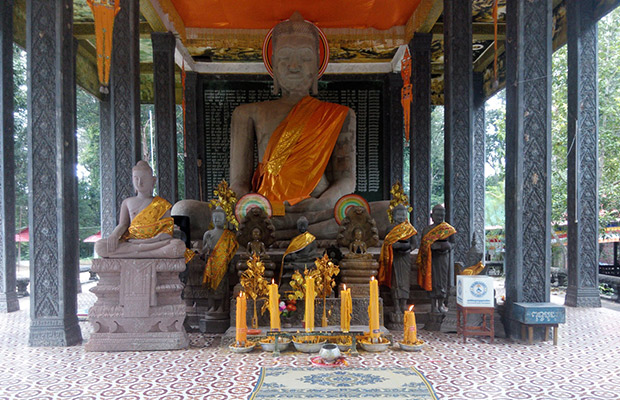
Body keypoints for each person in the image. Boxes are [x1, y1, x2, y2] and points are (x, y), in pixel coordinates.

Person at [229, 12, 356, 233]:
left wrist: (322, 204)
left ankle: (292, 227)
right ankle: (289, 228)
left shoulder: (339, 115)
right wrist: (251, 206)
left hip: (318, 210)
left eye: (305, 58)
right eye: (285, 56)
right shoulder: (247, 113)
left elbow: (346, 179)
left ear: (317, 65)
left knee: (385, 212)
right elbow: (239, 183)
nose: (294, 66)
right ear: (274, 65)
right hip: (267, 210)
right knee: (190, 210)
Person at [95, 161, 193, 262]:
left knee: (177, 246)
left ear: (153, 181)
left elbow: (167, 230)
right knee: (100, 246)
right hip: (132, 241)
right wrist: (114, 235)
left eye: (144, 178)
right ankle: (145, 254)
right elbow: (123, 224)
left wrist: (155, 239)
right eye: (136, 178)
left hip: (154, 243)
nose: (139, 182)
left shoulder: (161, 204)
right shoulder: (127, 202)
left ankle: (135, 254)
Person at [416, 205, 456, 314]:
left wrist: (445, 247)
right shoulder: (427, 230)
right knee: (432, 280)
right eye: (437, 215)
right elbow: (423, 245)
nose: (439, 217)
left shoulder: (448, 229)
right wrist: (431, 247)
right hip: (431, 259)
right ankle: (433, 305)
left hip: (443, 258)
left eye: (442, 215)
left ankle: (441, 304)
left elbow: (453, 243)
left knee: (443, 280)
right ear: (431, 216)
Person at [378, 204, 417, 315]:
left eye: (403, 214)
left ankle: (403, 305)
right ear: (393, 216)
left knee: (405, 283)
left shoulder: (409, 228)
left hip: (405, 258)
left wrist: (406, 248)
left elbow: (414, 244)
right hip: (394, 258)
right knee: (395, 282)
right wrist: (393, 246)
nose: (401, 216)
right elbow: (386, 243)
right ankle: (396, 307)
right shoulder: (390, 228)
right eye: (398, 214)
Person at [201, 207, 238, 313]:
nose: (217, 220)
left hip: (223, 264)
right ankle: (212, 306)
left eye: (220, 218)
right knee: (211, 287)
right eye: (215, 218)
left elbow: (232, 252)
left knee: (222, 285)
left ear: (225, 220)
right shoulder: (208, 234)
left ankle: (221, 307)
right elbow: (203, 251)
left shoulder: (229, 235)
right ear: (212, 219)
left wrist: (232, 265)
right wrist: (207, 246)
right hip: (211, 264)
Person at [279, 216, 319, 284]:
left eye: (304, 226)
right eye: (300, 226)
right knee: (291, 261)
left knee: (315, 263)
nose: (302, 228)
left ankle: (309, 284)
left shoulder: (311, 238)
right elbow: (289, 252)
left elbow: (314, 251)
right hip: (298, 259)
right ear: (297, 227)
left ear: (307, 226)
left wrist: (309, 255)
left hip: (308, 259)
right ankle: (298, 284)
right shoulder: (295, 239)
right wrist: (293, 255)